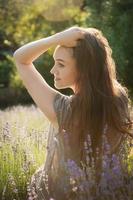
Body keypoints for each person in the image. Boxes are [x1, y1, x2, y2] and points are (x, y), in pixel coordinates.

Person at [13, 27, 132, 200]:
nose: (53, 70)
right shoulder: (119, 100)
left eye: (61, 64)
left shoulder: (63, 110)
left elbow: (20, 58)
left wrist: (56, 38)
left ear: (84, 70)